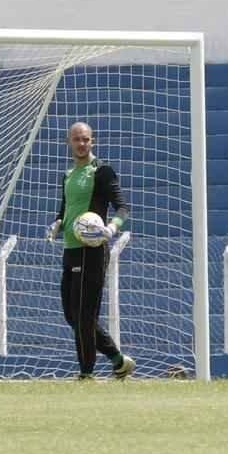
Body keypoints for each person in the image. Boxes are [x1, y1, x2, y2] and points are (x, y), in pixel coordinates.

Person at [47, 122, 136, 379]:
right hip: (71, 249)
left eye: (86, 139)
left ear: (92, 141)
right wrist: (57, 223)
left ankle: (86, 375)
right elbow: (65, 209)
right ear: (69, 142)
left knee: (85, 315)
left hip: (93, 250)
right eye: (77, 139)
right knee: (71, 315)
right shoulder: (68, 175)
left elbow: (122, 207)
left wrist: (111, 228)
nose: (82, 143)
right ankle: (119, 360)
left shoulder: (102, 171)